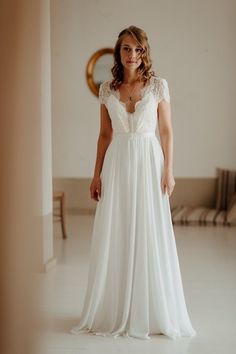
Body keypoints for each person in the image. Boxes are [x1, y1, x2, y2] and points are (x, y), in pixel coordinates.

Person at [70, 25, 197, 340]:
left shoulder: (157, 86)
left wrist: (169, 169)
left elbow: (166, 131)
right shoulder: (107, 89)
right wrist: (95, 173)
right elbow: (104, 135)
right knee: (118, 228)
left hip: (148, 161)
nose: (132, 55)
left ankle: (151, 308)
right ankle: (115, 307)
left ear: (145, 53)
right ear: (118, 51)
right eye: (127, 48)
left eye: (138, 49)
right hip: (117, 163)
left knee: (148, 229)